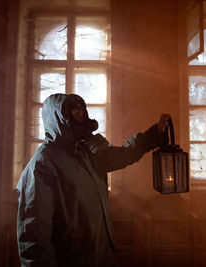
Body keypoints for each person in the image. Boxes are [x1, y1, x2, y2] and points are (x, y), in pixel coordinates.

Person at [16, 93, 170, 266]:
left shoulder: (85, 152)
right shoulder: (42, 166)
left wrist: (152, 135)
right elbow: (34, 240)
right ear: (59, 119)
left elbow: (122, 155)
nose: (81, 115)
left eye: (81, 110)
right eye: (74, 112)